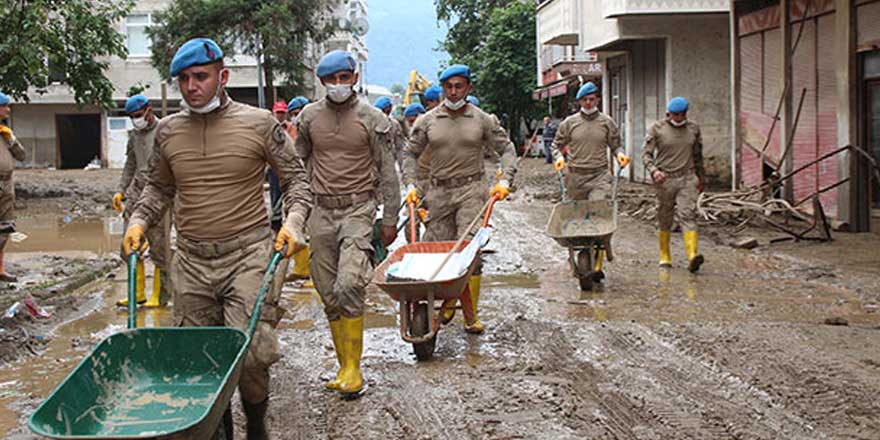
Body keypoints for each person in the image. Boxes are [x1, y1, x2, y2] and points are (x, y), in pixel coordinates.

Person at [122, 37, 311, 439]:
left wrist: (292, 224)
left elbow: (297, 182)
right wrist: (137, 222)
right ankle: (216, 425)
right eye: (184, 79)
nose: (192, 87)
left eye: (201, 77)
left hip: (248, 255)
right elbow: (157, 188)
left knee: (252, 355)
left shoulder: (260, 124)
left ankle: (256, 422)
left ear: (222, 76)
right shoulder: (169, 132)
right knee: (198, 359)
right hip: (190, 261)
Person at [294, 50, 400, 398]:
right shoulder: (309, 118)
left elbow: (388, 173)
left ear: (354, 78)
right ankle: (344, 365)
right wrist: (292, 215)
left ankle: (354, 369)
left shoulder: (372, 119)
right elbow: (298, 165)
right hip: (320, 212)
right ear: (322, 82)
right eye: (331, 80)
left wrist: (390, 218)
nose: (338, 85)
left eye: (344, 78)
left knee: (350, 283)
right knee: (327, 291)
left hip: (358, 209)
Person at [403, 64, 517, 334]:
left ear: (469, 88)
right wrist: (410, 184)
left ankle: (470, 315)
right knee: (435, 251)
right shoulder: (427, 121)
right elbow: (409, 153)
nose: (453, 92)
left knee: (468, 253)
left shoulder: (482, 120)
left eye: (459, 86)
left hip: (472, 191)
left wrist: (505, 180)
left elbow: (507, 148)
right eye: (448, 87)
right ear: (442, 89)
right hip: (438, 192)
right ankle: (439, 304)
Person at [550, 82, 629, 280]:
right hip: (575, 177)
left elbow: (616, 145)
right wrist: (559, 158)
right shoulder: (570, 123)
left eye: (591, 99)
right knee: (577, 218)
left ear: (597, 100)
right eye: (584, 100)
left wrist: (621, 155)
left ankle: (597, 263)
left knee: (598, 213)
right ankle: (582, 256)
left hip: (599, 176)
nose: (588, 103)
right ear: (579, 102)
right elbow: (555, 145)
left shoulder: (606, 122)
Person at [112, 95, 172, 307]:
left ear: (149, 110)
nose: (136, 120)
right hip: (137, 190)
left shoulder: (165, 131)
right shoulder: (135, 135)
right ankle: (136, 292)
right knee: (130, 244)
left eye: (138, 115)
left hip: (160, 192)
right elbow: (130, 163)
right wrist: (121, 190)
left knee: (160, 247)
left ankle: (160, 295)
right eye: (132, 117)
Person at [642, 96, 705, 273]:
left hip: (687, 177)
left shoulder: (693, 129)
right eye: (674, 115)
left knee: (688, 214)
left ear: (686, 113)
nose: (677, 118)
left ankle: (692, 256)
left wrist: (701, 177)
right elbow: (646, 155)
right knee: (665, 216)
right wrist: (654, 171)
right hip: (665, 180)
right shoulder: (657, 129)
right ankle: (665, 255)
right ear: (668, 114)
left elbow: (698, 155)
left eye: (681, 115)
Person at [285, 95, 312, 284]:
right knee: (297, 226)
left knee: (317, 233)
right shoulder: (291, 134)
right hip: (299, 186)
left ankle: (315, 273)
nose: (297, 117)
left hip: (320, 187)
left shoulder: (319, 128)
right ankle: (301, 268)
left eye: (299, 113)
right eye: (293, 114)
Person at [0, 92, 25, 282]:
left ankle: (0, 269)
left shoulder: (6, 131)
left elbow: (21, 155)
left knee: (6, 227)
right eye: (5, 106)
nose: (8, 109)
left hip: (7, 183)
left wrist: (11, 140)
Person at [374, 96, 406, 169]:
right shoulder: (370, 124)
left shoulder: (394, 125)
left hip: (387, 164)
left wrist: (403, 168)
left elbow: (400, 148)